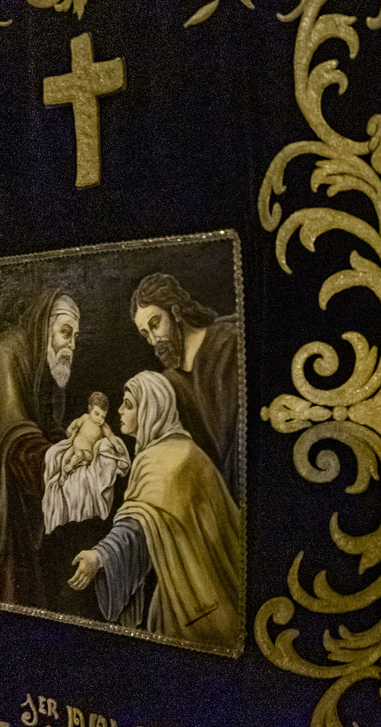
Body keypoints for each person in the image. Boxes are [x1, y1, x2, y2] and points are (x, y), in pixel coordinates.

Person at [69, 371, 243, 649]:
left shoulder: (165, 460)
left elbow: (137, 530)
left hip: (196, 600)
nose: (119, 411)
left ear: (151, 408)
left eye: (128, 404)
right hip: (204, 591)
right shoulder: (186, 451)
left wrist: (98, 557)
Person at [0, 289, 80, 607]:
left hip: (31, 507)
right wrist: (63, 463)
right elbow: (16, 441)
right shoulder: (5, 355)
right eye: (65, 332)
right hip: (8, 504)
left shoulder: (43, 364)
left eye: (75, 336)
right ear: (44, 325)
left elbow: (49, 426)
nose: (70, 344)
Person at [131, 273, 240, 496]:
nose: (154, 340)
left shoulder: (229, 343)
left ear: (176, 312)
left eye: (155, 324)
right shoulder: (170, 381)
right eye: (145, 334)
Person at [41, 391, 130, 537]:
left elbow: (111, 437)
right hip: (74, 445)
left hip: (86, 453)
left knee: (80, 456)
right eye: (97, 414)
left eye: (103, 416)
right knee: (65, 456)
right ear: (90, 409)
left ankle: (69, 468)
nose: (100, 419)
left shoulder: (104, 427)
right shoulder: (84, 418)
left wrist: (117, 445)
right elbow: (73, 426)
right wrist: (70, 431)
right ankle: (64, 471)